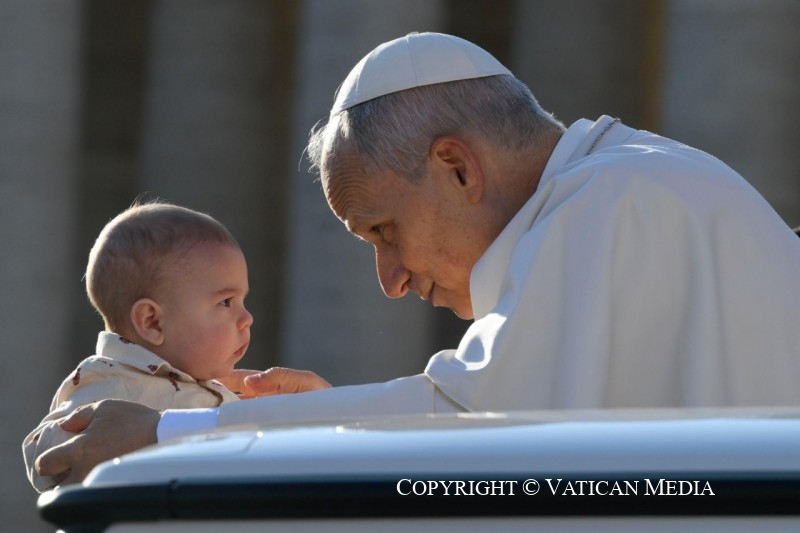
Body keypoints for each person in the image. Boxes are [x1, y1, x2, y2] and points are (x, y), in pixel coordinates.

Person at [35, 32, 800, 486]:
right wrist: (316, 421)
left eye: (384, 230)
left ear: (457, 168)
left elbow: (475, 428)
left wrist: (168, 435)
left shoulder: (609, 203)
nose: (391, 280)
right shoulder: (630, 185)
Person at [24, 201, 254, 491]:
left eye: (243, 301)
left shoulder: (212, 388)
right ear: (152, 322)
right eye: (226, 302)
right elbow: (45, 458)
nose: (247, 319)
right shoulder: (110, 381)